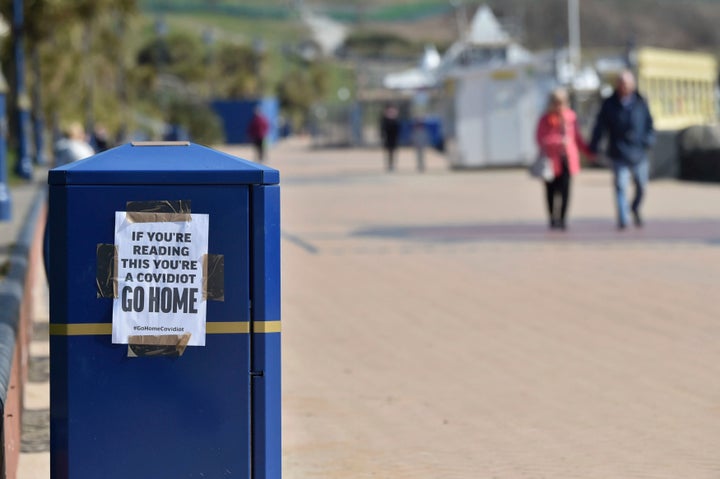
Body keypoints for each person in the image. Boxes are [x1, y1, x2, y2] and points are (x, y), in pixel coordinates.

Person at [589, 69, 655, 229]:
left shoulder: (641, 101)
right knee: (620, 185)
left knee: (641, 185)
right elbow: (600, 126)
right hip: (618, 150)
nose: (624, 86)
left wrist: (648, 140)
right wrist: (594, 145)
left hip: (638, 151)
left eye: (626, 83)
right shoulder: (609, 103)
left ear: (632, 85)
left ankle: (635, 207)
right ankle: (623, 218)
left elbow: (649, 124)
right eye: (621, 83)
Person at [535, 88, 593, 230]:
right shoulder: (545, 118)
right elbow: (540, 138)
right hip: (551, 160)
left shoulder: (570, 117)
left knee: (566, 191)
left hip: (567, 159)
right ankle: (552, 218)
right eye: (556, 102)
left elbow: (577, 138)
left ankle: (562, 218)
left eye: (561, 102)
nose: (559, 105)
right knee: (551, 191)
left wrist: (589, 152)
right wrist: (558, 141)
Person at [379, 104, 401, 172]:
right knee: (388, 152)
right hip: (387, 138)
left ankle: (392, 165)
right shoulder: (385, 119)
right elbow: (383, 129)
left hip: (394, 138)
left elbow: (398, 129)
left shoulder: (395, 120)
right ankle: (389, 165)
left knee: (393, 152)